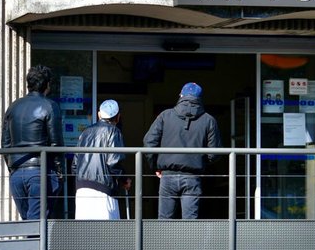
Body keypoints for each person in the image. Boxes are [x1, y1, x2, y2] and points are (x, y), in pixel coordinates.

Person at [143, 82, 222, 220]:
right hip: (193, 176)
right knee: (190, 223)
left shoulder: (165, 116)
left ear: (181, 95)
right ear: (200, 99)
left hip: (167, 176)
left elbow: (148, 142)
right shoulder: (209, 120)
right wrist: (200, 162)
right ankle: (187, 243)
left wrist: (155, 165)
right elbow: (214, 153)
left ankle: (165, 243)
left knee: (164, 220)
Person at [2, 64, 63, 219]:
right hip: (40, 172)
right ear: (47, 84)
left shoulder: (13, 107)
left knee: (29, 223)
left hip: (16, 173)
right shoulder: (50, 106)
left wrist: (13, 167)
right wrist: (59, 171)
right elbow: (56, 144)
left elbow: (5, 144)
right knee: (38, 227)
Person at [73, 99, 129, 220]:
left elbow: (75, 164)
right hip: (103, 189)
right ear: (118, 117)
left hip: (82, 189)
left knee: (85, 235)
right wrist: (124, 179)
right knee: (106, 235)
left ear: (99, 114)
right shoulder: (114, 131)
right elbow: (114, 163)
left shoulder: (85, 132)